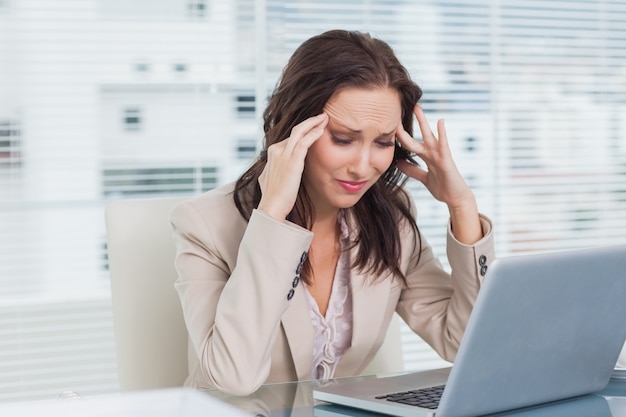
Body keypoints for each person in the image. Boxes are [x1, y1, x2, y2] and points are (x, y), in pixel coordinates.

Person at [171, 29, 495, 396]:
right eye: (342, 139)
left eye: (383, 142)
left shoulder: (391, 219)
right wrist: (273, 216)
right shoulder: (205, 225)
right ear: (295, 127)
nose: (362, 166)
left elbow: (467, 343)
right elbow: (233, 377)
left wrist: (462, 206)